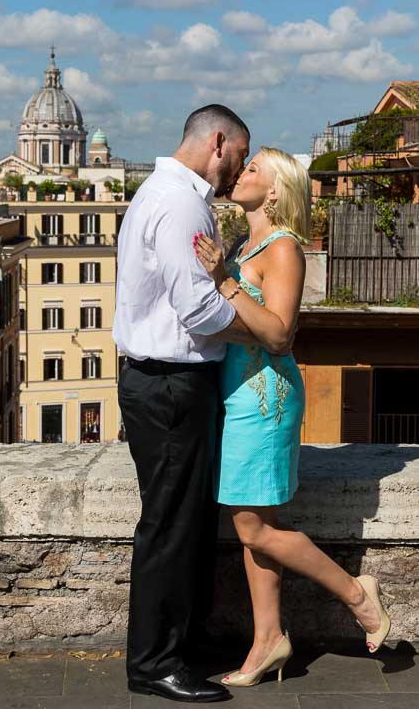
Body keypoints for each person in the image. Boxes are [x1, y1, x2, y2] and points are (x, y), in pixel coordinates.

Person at [194, 147, 391, 688]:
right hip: (238, 394)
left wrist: (223, 281)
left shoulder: (283, 249)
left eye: (254, 168)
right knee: (260, 527)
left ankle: (358, 594)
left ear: (278, 191)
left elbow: (280, 334)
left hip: (264, 400)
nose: (241, 173)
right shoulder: (242, 243)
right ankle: (268, 642)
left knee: (252, 526)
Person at [113, 105, 286, 703]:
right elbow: (200, 311)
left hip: (162, 384)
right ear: (219, 143)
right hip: (169, 385)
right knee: (169, 525)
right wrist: (262, 331)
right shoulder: (183, 203)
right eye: (239, 157)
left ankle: (177, 644)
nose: (236, 173)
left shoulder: (160, 192)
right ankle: (155, 662)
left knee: (184, 521)